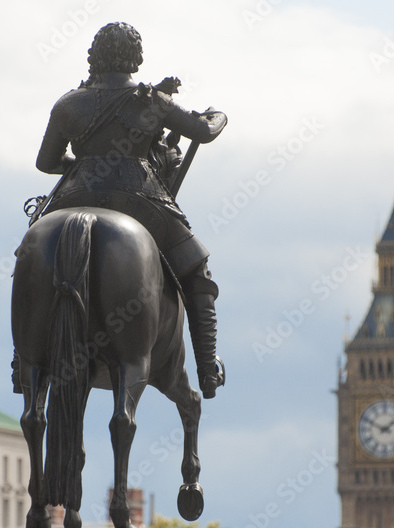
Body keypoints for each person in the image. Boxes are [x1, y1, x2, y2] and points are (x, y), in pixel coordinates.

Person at [35, 21, 227, 398]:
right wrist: (219, 115)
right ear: (135, 58)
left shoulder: (68, 103)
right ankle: (207, 369)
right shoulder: (152, 101)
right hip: (140, 200)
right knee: (196, 268)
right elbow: (203, 131)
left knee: (31, 255)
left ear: (95, 55)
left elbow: (46, 162)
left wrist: (80, 164)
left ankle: (19, 362)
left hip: (74, 197)